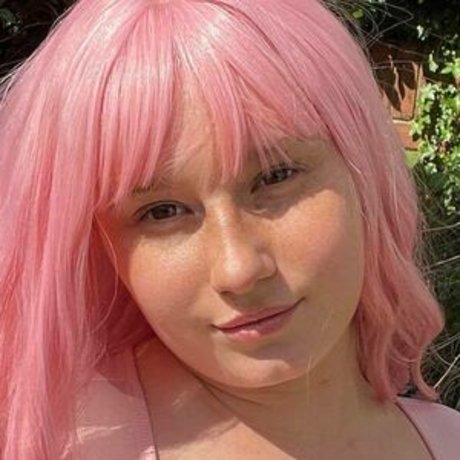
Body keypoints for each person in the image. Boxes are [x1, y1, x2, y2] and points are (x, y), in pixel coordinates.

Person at [0, 0, 459, 458]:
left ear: (364, 169)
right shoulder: (54, 446)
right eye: (162, 211)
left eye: (276, 176)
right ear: (101, 244)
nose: (239, 269)